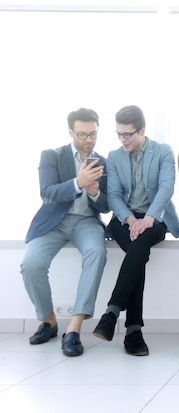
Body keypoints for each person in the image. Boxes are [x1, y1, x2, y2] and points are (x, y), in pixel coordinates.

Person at [93, 105, 179, 356]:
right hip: (125, 219)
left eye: (128, 134)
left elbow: (166, 189)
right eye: (119, 134)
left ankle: (112, 313)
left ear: (142, 130)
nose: (123, 140)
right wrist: (131, 220)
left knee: (138, 248)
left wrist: (149, 218)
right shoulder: (115, 156)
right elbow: (113, 195)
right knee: (138, 252)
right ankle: (133, 331)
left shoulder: (163, 152)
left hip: (156, 217)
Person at [20, 108, 108, 357]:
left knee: (97, 253)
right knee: (31, 263)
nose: (88, 140)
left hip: (86, 222)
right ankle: (48, 321)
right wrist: (78, 182)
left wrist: (94, 192)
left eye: (93, 134)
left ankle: (74, 328)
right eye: (82, 134)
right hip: (54, 222)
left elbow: (106, 206)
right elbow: (47, 192)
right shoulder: (52, 156)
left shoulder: (104, 162)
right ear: (70, 132)